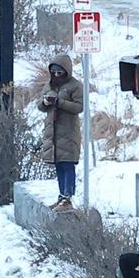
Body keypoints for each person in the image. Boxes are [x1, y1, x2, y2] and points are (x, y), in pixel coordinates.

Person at [41, 61, 88, 208]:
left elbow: (80, 107)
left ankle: (68, 198)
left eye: (59, 72)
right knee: (59, 165)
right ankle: (62, 196)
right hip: (53, 132)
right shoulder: (49, 85)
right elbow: (39, 105)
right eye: (54, 72)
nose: (56, 75)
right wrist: (45, 102)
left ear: (66, 71)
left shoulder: (75, 86)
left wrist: (59, 102)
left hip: (68, 131)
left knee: (68, 164)